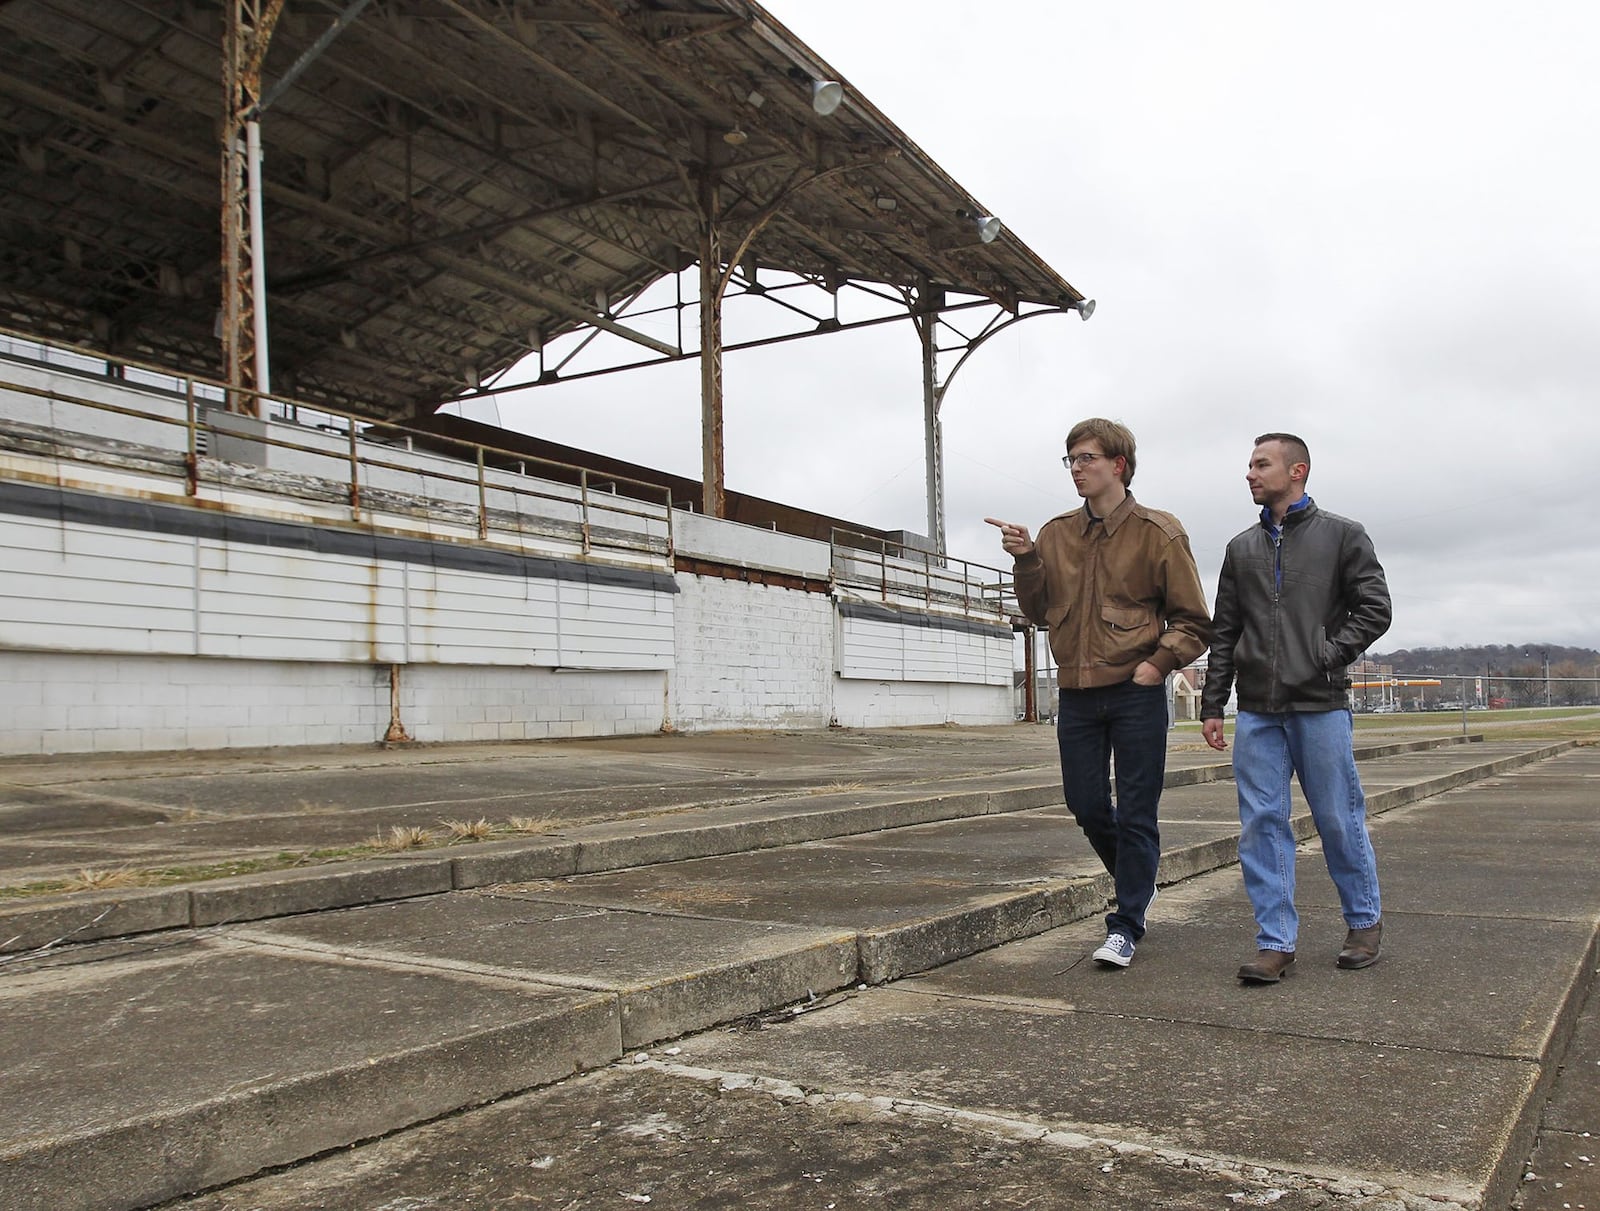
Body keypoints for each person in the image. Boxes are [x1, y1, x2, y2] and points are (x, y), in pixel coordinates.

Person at [986, 418, 1211, 969]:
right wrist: (1026, 559)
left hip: (1136, 693)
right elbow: (1038, 612)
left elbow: (1193, 621)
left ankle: (1126, 922)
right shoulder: (1057, 533)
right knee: (1085, 805)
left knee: (1137, 812)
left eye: (1086, 458)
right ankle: (1141, 880)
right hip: (1079, 695)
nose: (1077, 469)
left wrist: (1157, 665)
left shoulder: (1160, 533)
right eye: (1070, 460)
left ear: (1119, 465)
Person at [1200, 433, 1392, 984]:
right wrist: (1215, 702)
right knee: (1261, 824)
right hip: (1257, 709)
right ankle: (1274, 941)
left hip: (1320, 704)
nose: (1251, 474)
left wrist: (1325, 655)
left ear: (1298, 471)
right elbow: (1226, 630)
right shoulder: (1241, 549)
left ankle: (1363, 921)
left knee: (1336, 815)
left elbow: (1374, 609)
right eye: (1250, 465)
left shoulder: (1343, 535)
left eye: (1262, 465)